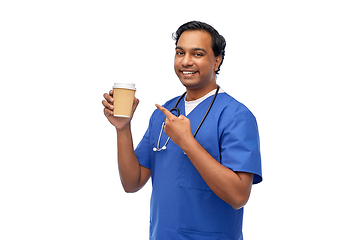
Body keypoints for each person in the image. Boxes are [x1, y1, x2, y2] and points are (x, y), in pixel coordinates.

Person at [102, 21, 262, 240]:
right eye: (180, 52)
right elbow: (132, 182)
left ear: (217, 60)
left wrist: (187, 142)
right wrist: (123, 128)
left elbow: (238, 196)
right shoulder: (164, 113)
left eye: (197, 54)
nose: (186, 61)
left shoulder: (236, 116)